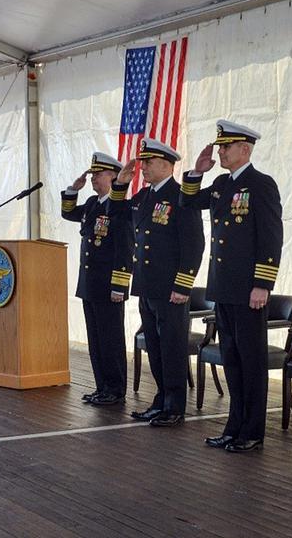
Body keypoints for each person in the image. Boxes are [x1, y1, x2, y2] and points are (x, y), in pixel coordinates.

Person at [180, 121, 283, 452]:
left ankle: (252, 431)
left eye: (226, 147)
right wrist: (197, 172)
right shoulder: (222, 184)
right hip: (223, 288)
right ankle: (233, 426)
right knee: (233, 360)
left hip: (248, 290)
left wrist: (263, 284)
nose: (220, 151)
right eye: (220, 146)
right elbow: (188, 203)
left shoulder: (261, 185)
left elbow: (271, 237)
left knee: (251, 362)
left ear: (246, 150)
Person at [108, 138, 204, 427]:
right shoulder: (144, 197)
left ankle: (174, 406)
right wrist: (120, 186)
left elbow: (193, 244)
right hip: (147, 286)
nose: (143, 168)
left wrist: (184, 284)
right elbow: (116, 215)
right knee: (155, 345)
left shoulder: (181, 195)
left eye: (148, 163)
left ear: (165, 164)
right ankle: (161, 398)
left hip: (170, 287)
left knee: (172, 346)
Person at [61, 152, 133, 406]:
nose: (93, 179)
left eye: (98, 175)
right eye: (92, 175)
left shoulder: (121, 207)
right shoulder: (93, 203)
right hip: (90, 283)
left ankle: (115, 389)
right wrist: (73, 189)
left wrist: (119, 285)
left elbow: (125, 248)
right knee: (96, 340)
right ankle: (102, 386)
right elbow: (68, 213)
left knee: (110, 339)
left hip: (108, 285)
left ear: (114, 176)